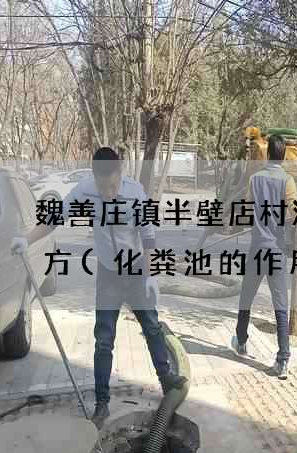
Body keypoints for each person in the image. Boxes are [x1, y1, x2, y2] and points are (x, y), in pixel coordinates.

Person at [11, 147, 186, 427]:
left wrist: (151, 275)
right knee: (104, 339)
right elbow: (55, 219)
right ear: (94, 178)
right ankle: (102, 403)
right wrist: (26, 239)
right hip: (109, 275)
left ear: (121, 174)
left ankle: (166, 378)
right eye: (103, 188)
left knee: (152, 327)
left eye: (113, 186)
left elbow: (148, 236)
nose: (108, 193)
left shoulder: (135, 193)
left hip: (136, 270)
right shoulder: (85, 191)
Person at [232, 134, 297, 380]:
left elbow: (248, 208)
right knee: (280, 305)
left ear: (268, 153)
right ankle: (283, 359)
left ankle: (240, 341)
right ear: (283, 155)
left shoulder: (255, 179)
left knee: (246, 297)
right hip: (276, 251)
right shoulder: (287, 181)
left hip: (257, 249)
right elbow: (295, 212)